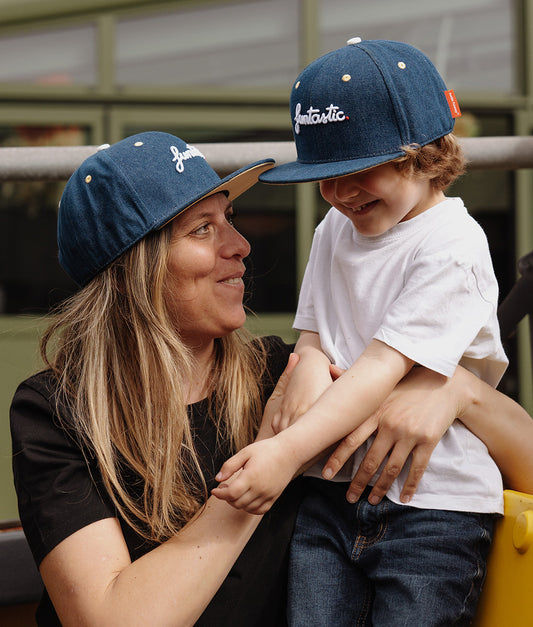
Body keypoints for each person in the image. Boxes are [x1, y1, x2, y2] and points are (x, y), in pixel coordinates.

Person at [9, 132, 533, 627]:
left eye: (229, 219)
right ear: (134, 271)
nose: (240, 245)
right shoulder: (55, 412)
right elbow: (114, 619)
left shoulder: (285, 376)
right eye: (202, 229)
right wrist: (271, 458)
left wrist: (457, 393)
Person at [212, 39, 509, 625]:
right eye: (326, 176)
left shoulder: (452, 247)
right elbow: (318, 327)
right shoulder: (334, 228)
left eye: (360, 170)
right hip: (333, 490)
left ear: (423, 154)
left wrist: (282, 453)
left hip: (430, 502)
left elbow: (381, 368)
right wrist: (307, 362)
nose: (342, 193)